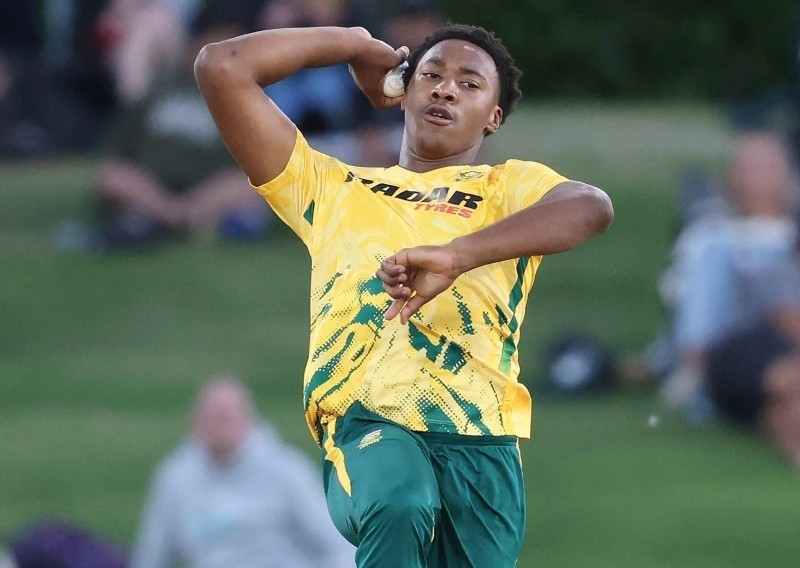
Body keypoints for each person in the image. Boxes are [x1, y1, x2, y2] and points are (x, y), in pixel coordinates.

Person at [194, 22, 613, 567]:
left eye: (469, 84)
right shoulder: (332, 190)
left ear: (495, 116)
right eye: (431, 75)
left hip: (482, 446)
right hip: (367, 425)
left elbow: (591, 208)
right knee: (399, 502)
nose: (444, 89)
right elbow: (222, 68)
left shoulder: (508, 190)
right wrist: (352, 44)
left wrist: (457, 255)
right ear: (403, 90)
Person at [130, 376, 356, 568]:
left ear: (247, 419)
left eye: (225, 417)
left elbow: (337, 545)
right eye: (211, 418)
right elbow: (152, 554)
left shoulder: (287, 471)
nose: (218, 427)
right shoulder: (175, 478)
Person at [92, 9, 270, 248]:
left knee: (254, 184)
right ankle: (175, 217)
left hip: (208, 191)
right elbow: (116, 161)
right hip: (152, 187)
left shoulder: (248, 102)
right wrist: (167, 205)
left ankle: (163, 219)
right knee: (113, 176)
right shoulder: (159, 90)